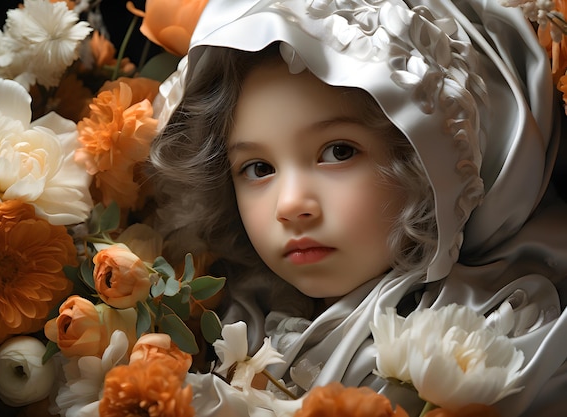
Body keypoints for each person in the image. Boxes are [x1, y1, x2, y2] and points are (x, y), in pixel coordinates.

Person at [147, 0, 567, 415]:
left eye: (338, 152)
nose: (291, 205)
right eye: (258, 168)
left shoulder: (512, 337)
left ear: (434, 163)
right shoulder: (231, 321)